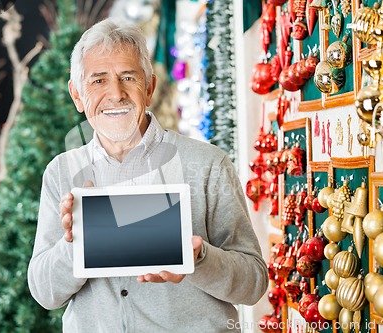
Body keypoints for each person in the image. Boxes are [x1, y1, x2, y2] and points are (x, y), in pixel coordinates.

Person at [27, 18, 268, 333]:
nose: (116, 93)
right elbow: (45, 293)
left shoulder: (207, 163)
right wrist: (76, 243)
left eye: (128, 77)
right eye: (98, 80)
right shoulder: (61, 172)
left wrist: (199, 258)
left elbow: (253, 283)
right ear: (77, 95)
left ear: (150, 87)